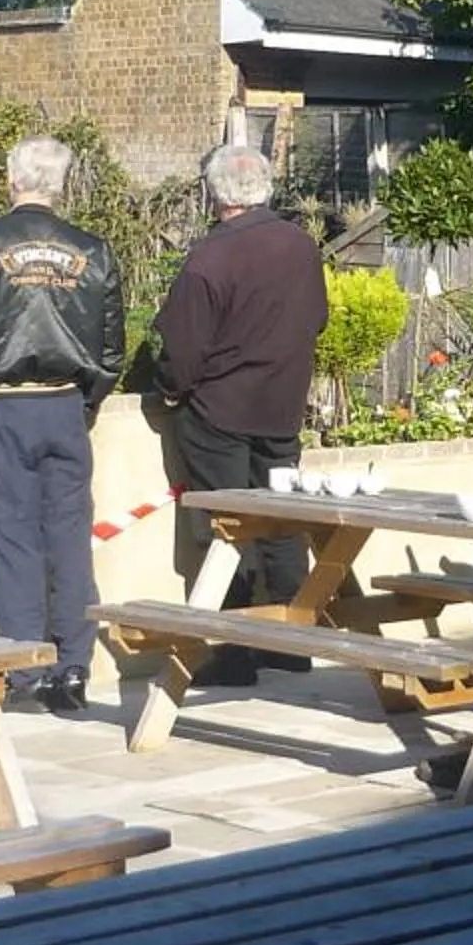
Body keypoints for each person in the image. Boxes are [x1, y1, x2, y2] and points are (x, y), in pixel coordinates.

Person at [0, 138, 123, 716]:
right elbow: (110, 346)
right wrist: (85, 404)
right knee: (69, 536)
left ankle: (25, 669)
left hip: (5, 404)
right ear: (59, 184)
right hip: (64, 402)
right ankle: (73, 666)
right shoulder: (93, 250)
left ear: (12, 180)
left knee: (10, 538)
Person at [154, 142, 329, 686]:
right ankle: (292, 643)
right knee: (282, 525)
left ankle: (231, 654)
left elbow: (181, 349)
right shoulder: (300, 246)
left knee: (225, 530)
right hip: (281, 405)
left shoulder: (210, 257)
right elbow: (317, 319)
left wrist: (170, 390)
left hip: (219, 411)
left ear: (215, 193)